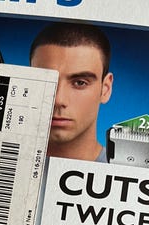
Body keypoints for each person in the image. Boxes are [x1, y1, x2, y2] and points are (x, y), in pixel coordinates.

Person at [30, 22, 113, 162]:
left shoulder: (130, 173)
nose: (58, 100)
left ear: (105, 89)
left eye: (80, 83)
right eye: (46, 80)